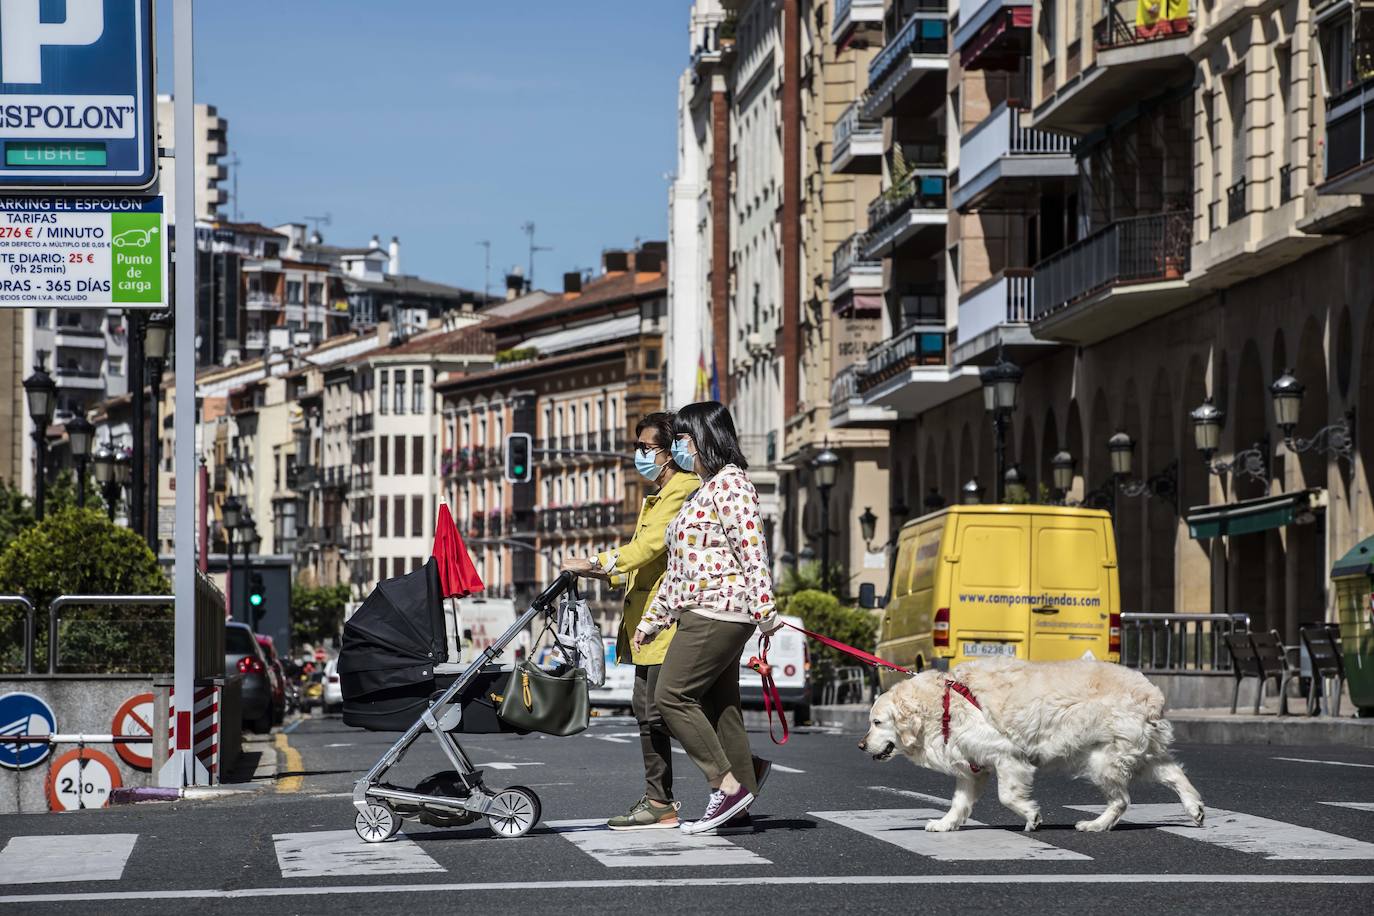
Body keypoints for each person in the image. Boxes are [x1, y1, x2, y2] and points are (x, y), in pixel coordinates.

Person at [634, 401, 780, 836]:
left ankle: (727, 785)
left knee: (671, 696)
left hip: (719, 610)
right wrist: (653, 619)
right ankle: (741, 800)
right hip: (706, 607)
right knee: (721, 709)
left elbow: (751, 547)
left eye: (679, 439)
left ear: (700, 440)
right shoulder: (706, 488)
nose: (675, 447)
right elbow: (682, 567)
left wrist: (765, 607)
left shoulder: (731, 485)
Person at [561, 412, 700, 830]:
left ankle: (734, 777)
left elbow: (649, 546)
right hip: (646, 624)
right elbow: (644, 557)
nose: (639, 455)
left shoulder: (683, 490)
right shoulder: (657, 495)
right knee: (648, 710)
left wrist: (595, 562)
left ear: (670, 450)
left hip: (668, 620)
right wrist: (603, 571)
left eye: (646, 448)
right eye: (638, 447)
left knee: (666, 711)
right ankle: (661, 800)